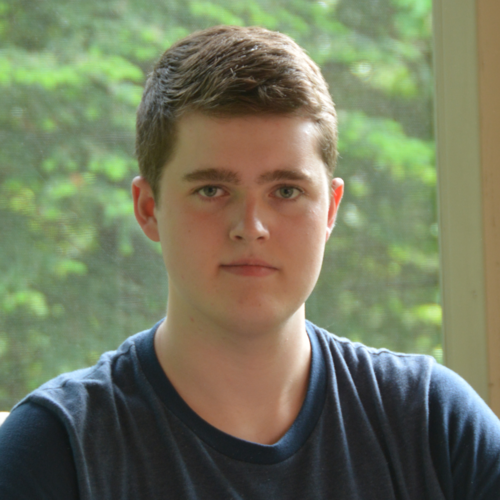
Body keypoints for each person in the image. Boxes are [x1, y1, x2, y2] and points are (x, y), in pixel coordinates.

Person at [1, 25, 499, 499]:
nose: (251, 226)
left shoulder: (432, 422)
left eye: (286, 191)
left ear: (329, 211)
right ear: (149, 209)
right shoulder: (53, 450)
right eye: (211, 190)